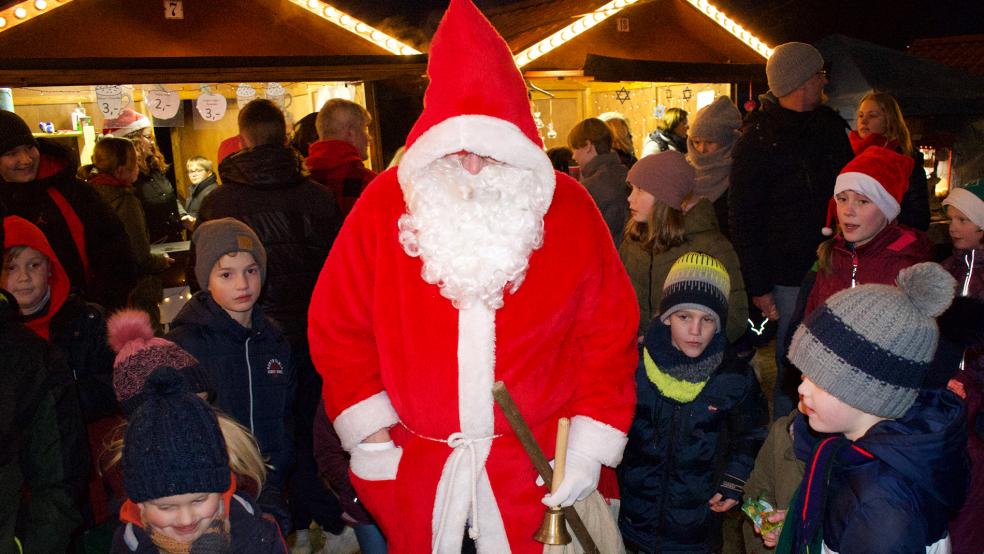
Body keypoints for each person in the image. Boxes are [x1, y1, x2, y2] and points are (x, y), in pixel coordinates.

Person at [308, 0, 639, 551]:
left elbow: (608, 334)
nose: (471, 169)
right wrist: (371, 436)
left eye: (489, 153)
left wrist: (586, 447)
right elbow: (338, 325)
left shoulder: (570, 210)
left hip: (538, 472)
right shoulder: (384, 205)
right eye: (456, 152)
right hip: (419, 471)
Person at [191, 99, 344, 547]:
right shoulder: (317, 196)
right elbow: (339, 269)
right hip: (314, 334)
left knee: (253, 433)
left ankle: (271, 522)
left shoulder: (221, 201)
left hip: (247, 336)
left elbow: (198, 273)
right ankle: (326, 517)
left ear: (243, 139)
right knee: (314, 430)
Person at [776, 263, 967, 553]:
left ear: (870, 393)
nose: (802, 389)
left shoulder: (883, 508)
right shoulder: (855, 448)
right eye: (805, 375)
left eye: (821, 381)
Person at [729, 42, 854, 419]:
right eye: (819, 74)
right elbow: (744, 218)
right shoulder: (758, 141)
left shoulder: (831, 130)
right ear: (802, 80)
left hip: (836, 264)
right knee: (792, 362)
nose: (824, 81)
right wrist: (760, 286)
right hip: (786, 275)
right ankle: (787, 443)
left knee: (838, 356)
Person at [618, 252, 767, 552]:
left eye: (708, 320)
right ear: (667, 315)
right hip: (632, 520)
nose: (696, 331)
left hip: (696, 529)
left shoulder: (733, 377)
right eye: (685, 316)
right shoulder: (635, 365)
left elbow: (751, 434)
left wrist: (733, 480)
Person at [167, 218, 295, 535]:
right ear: (205, 279)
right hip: (212, 489)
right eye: (226, 274)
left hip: (269, 482)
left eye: (251, 271)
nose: (242, 284)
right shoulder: (185, 344)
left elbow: (287, 413)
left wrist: (283, 464)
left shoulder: (275, 340)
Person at [110, 367, 287, 553]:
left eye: (199, 500)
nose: (186, 520)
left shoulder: (257, 535)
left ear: (221, 490)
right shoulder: (128, 545)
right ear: (140, 503)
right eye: (166, 507)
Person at [0, 206, 82, 553]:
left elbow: (59, 477)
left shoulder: (77, 326)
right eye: (11, 268)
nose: (23, 278)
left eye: (34, 265)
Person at [0, 110, 135, 310]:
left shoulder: (73, 192)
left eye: (29, 148)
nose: (26, 159)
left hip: (80, 317)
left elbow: (114, 250)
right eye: (12, 153)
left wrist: (98, 306)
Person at [620, 151, 749, 344]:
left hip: (688, 364)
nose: (630, 198)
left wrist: (676, 343)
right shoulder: (634, 241)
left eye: (640, 190)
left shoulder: (711, 247)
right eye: (631, 189)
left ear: (665, 197)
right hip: (637, 358)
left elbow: (734, 317)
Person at [804, 145, 933, 314]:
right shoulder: (832, 256)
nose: (847, 211)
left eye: (862, 201)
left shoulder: (904, 268)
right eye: (842, 199)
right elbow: (812, 316)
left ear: (886, 208)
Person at [80, 137, 173, 330]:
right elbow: (139, 255)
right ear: (122, 169)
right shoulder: (124, 200)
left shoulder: (87, 193)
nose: (138, 167)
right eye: (134, 163)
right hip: (131, 291)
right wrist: (161, 261)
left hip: (97, 291)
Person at [939, 178, 984, 553]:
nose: (954, 228)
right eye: (951, 219)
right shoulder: (945, 271)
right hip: (949, 383)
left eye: (964, 220)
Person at [103, 108, 187, 243]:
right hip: (151, 250)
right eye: (148, 137)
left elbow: (169, 196)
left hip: (172, 242)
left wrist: (182, 215)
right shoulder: (126, 177)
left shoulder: (154, 165)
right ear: (133, 141)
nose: (152, 142)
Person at [852, 91, 929, 230]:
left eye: (872, 115)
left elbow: (919, 217)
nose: (863, 121)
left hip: (889, 240)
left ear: (889, 120)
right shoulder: (849, 155)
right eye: (861, 115)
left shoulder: (904, 161)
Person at [306, 98, 375, 216]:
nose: (369, 138)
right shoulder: (369, 183)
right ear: (351, 133)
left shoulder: (299, 177)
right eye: (364, 129)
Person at [685, 96, 742, 237]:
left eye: (710, 142)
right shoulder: (684, 169)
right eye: (696, 142)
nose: (701, 149)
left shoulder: (740, 169)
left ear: (725, 142)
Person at [568, 117, 629, 246]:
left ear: (588, 146)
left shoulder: (591, 187)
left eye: (575, 149)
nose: (573, 156)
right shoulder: (625, 173)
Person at [182, 155, 218, 228]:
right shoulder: (195, 190)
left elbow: (214, 222)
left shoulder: (212, 192)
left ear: (209, 172)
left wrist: (195, 222)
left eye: (198, 170)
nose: (194, 175)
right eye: (190, 171)